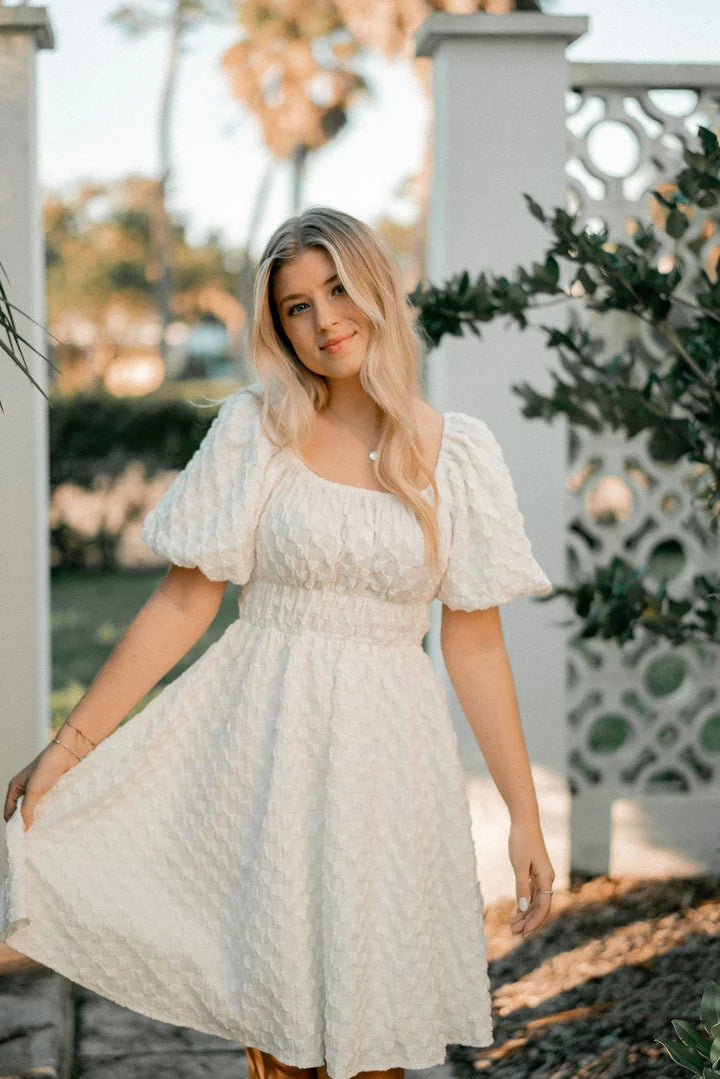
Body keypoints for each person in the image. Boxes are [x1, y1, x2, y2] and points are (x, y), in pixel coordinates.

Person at [2, 206, 555, 1079]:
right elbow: (183, 604)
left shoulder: (458, 453)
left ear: (376, 286)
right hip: (267, 749)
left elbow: (475, 646)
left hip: (389, 764)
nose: (324, 318)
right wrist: (68, 750)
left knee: (378, 1027)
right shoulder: (258, 429)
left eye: (337, 288)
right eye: (296, 305)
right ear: (277, 325)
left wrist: (524, 815)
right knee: (282, 1023)